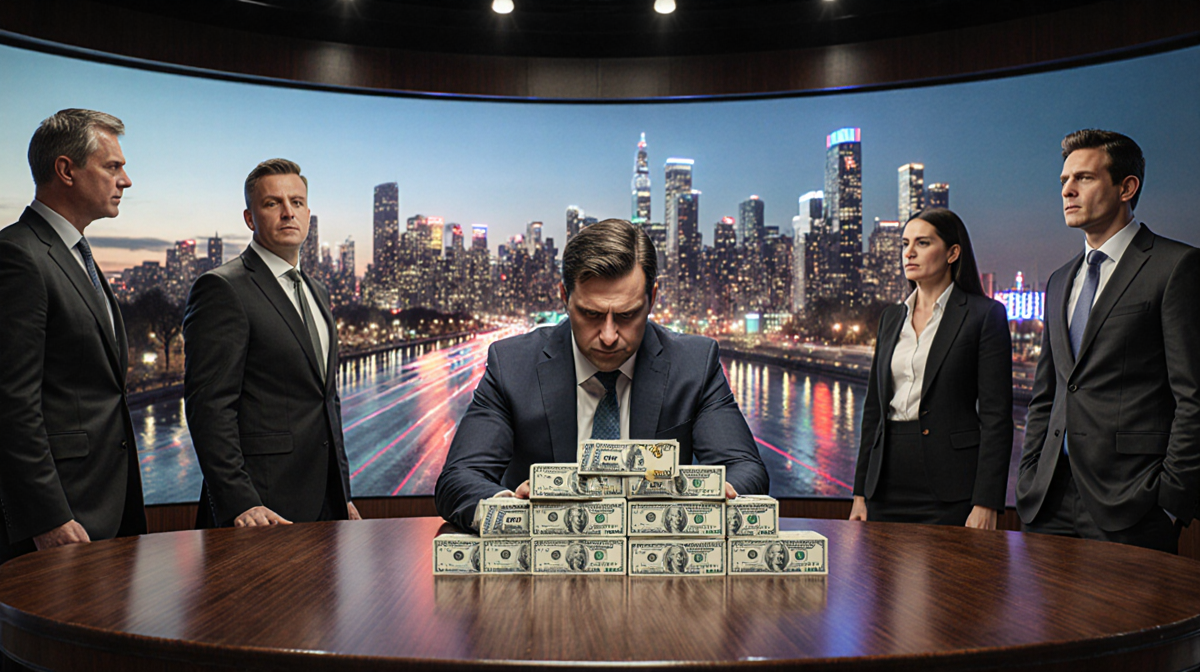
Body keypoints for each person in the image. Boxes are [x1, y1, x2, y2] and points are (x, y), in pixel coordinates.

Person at [434, 218, 768, 531]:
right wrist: (511, 513)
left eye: (627, 315)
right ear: (565, 298)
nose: (608, 336)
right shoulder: (512, 365)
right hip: (543, 572)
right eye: (591, 314)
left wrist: (708, 500)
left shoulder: (694, 364)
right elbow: (458, 478)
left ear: (652, 299)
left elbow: (747, 469)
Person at [1017, 130, 1200, 553]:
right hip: (1047, 501)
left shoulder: (1175, 267)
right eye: (1064, 180)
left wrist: (1170, 501)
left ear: (1126, 187)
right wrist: (1030, 473)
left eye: (1084, 178)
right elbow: (1047, 393)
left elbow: (1193, 396)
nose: (1067, 190)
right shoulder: (1060, 280)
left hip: (1132, 501)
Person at [0, 109, 146, 564]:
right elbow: (11, 401)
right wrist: (46, 517)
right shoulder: (18, 255)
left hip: (105, 505)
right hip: (61, 520)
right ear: (65, 170)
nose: (125, 181)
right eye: (112, 166)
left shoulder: (77, 254)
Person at [183, 159, 359, 528]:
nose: (287, 213)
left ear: (309, 214)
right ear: (250, 218)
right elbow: (209, 407)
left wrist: (342, 495)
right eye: (271, 203)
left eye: (296, 202)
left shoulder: (318, 292)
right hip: (259, 511)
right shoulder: (222, 287)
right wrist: (239, 503)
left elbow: (328, 402)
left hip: (325, 508)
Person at [849, 208, 1013, 528]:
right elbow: (873, 412)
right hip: (884, 484)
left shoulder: (984, 315)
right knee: (882, 578)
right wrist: (859, 493)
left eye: (922, 243)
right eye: (905, 243)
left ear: (953, 253)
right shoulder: (890, 318)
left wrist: (986, 501)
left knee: (949, 578)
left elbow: (997, 418)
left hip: (951, 486)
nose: (908, 253)